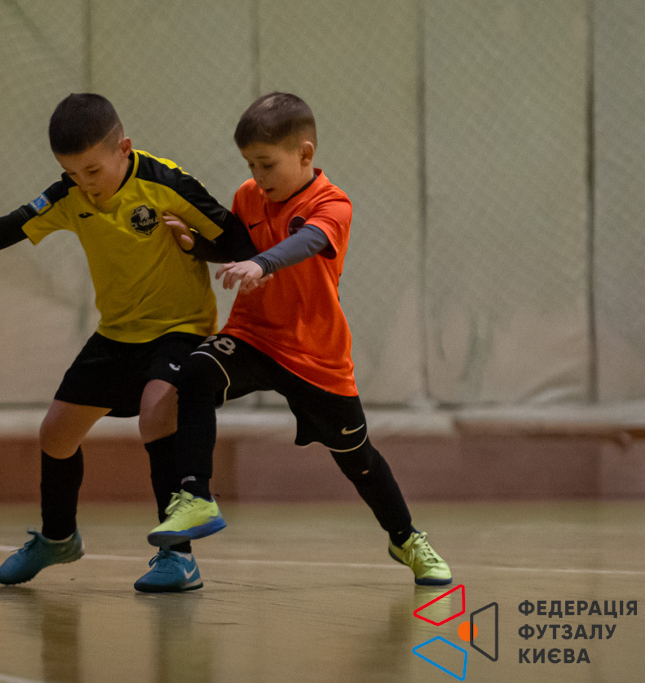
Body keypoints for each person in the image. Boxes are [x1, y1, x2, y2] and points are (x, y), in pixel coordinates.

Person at [0, 93, 256, 592]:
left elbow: (237, 241)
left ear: (124, 148)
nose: (85, 184)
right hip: (117, 332)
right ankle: (59, 538)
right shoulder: (70, 196)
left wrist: (195, 243)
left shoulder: (166, 182)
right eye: (72, 173)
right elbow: (8, 228)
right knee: (56, 434)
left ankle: (179, 558)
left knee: (156, 415)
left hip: (181, 326)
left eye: (93, 171)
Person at [148, 92, 452, 586]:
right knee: (197, 371)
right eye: (250, 164)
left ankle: (406, 538)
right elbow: (239, 247)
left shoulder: (333, 203)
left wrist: (262, 263)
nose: (258, 175)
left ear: (305, 154)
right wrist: (197, 246)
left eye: (267, 164)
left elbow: (307, 241)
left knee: (359, 461)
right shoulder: (249, 195)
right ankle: (196, 495)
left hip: (315, 354)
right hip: (253, 335)